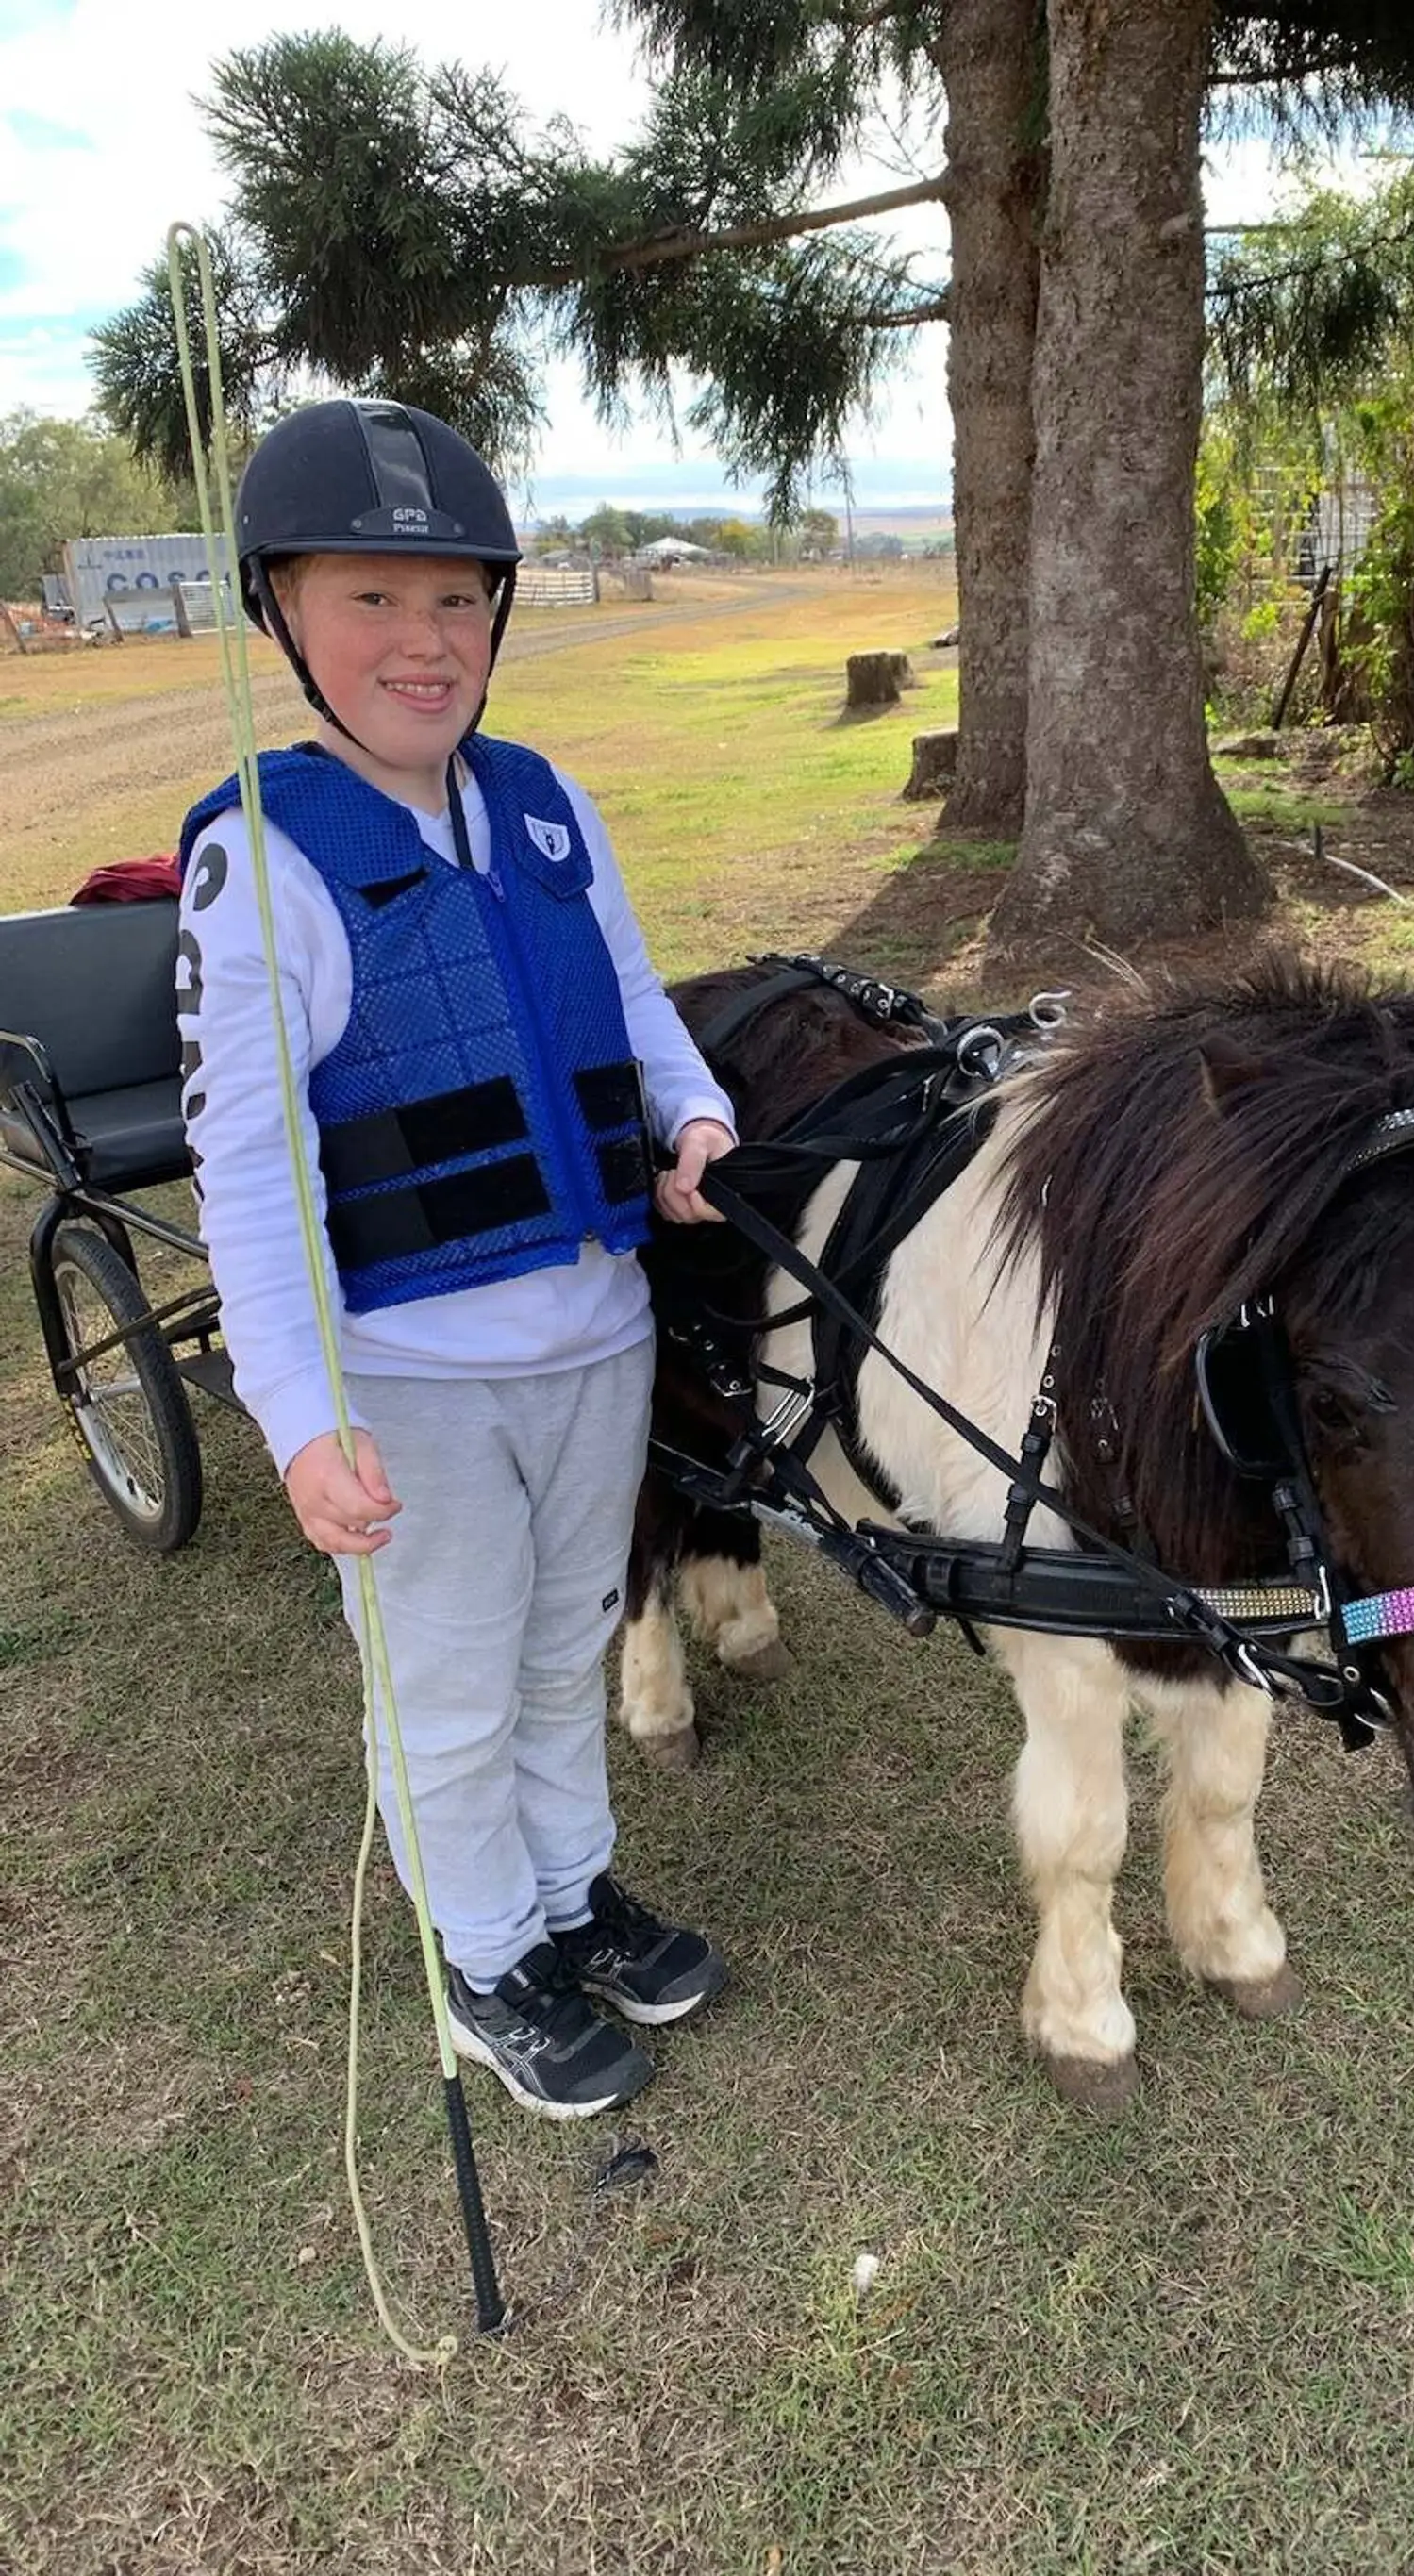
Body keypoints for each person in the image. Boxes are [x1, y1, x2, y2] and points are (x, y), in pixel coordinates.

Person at [178, 397, 736, 2119]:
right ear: (280, 612)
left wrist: (694, 1114)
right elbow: (250, 1175)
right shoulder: (258, 857)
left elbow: (635, 1003)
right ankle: (482, 1951)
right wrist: (291, 1414)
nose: (425, 644)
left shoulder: (547, 800)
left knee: (567, 1642)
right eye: (370, 600)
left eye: (458, 602)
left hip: (595, 1333)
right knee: (449, 1676)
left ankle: (567, 1892)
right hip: (407, 1378)